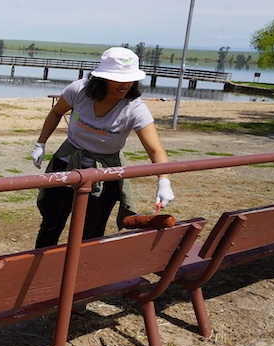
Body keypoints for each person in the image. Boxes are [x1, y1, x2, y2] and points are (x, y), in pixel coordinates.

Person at [30, 46, 175, 249]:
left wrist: (164, 180)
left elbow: (155, 149)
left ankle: (81, 273)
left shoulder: (134, 108)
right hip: (68, 160)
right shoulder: (78, 90)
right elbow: (56, 112)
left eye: (130, 78)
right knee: (52, 222)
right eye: (118, 78)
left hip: (104, 168)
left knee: (92, 230)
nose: (125, 84)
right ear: (102, 77)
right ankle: (40, 270)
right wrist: (41, 143)